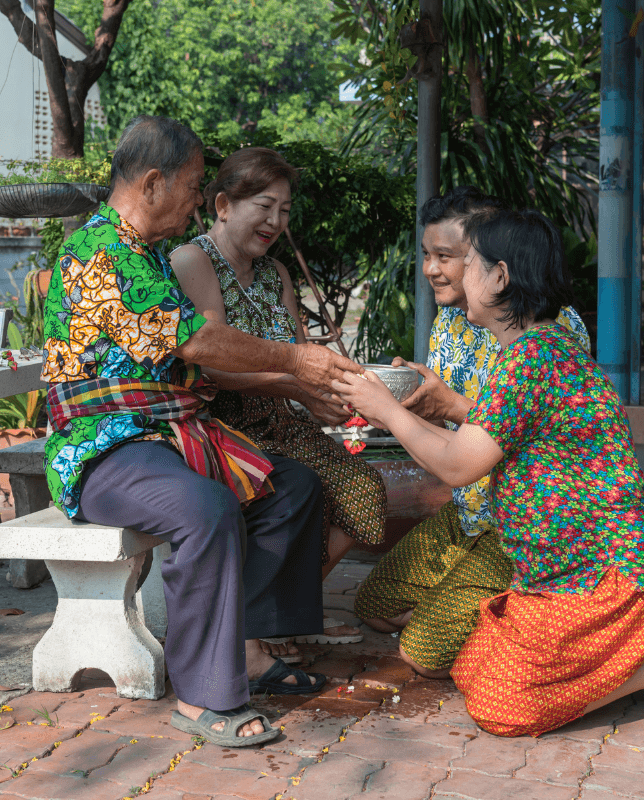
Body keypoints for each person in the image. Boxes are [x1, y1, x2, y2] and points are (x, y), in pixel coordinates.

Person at [333, 207, 644, 737]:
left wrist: (387, 410)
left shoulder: (532, 357)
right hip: (558, 576)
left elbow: (459, 466)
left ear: (500, 276)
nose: (450, 274)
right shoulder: (532, 350)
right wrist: (402, 411)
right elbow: (469, 446)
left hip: (608, 576)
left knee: (500, 708)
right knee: (471, 668)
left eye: (466, 263)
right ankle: (604, 659)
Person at [41, 116, 362, 747]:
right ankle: (204, 695)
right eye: (192, 187)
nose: (195, 203)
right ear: (155, 183)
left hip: (169, 435)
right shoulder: (101, 250)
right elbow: (197, 341)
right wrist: (296, 362)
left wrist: (297, 375)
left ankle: (247, 648)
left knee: (292, 487)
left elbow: (195, 354)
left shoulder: (148, 254)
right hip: (104, 447)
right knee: (205, 509)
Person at [352, 186, 591, 679]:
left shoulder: (546, 333)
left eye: (450, 256)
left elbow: (502, 434)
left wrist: (420, 412)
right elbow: (459, 433)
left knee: (422, 656)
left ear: (496, 264)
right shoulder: (452, 321)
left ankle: (509, 621)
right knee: (373, 607)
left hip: (519, 525)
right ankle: (468, 613)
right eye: (426, 255)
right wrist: (408, 404)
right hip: (467, 508)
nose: (431, 269)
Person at [170, 147, 387, 645]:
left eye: (284, 211)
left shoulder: (276, 273)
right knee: (302, 491)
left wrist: (352, 390)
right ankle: (259, 630)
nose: (275, 221)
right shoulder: (193, 260)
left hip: (283, 424)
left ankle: (279, 617)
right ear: (223, 204)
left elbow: (301, 352)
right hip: (221, 427)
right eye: (264, 206)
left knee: (364, 495)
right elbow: (210, 363)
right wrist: (294, 384)